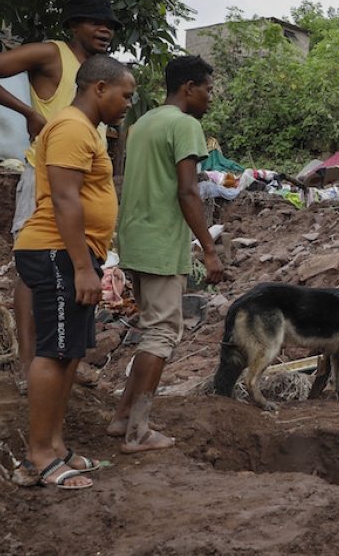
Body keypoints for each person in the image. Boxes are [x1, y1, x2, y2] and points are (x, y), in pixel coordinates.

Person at [0, 0, 121, 391]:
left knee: (73, 269)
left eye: (111, 26)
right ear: (72, 25)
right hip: (48, 177)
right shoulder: (51, 54)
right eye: (94, 22)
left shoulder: (98, 72)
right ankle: (28, 363)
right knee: (36, 271)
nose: (105, 30)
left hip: (80, 177)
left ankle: (63, 357)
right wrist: (29, 112)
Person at [12, 55, 135, 489]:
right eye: (125, 94)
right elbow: (65, 200)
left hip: (74, 254)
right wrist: (84, 268)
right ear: (99, 88)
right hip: (57, 252)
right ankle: (38, 456)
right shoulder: (70, 127)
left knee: (69, 353)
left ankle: (55, 446)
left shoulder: (87, 130)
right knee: (55, 350)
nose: (127, 104)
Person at [106, 56, 224, 453]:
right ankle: (138, 432)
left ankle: (123, 416)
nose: (211, 98)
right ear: (189, 87)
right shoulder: (185, 124)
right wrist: (209, 250)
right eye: (208, 89)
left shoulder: (143, 124)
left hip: (134, 240)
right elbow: (187, 190)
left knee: (150, 331)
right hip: (159, 242)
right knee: (161, 334)